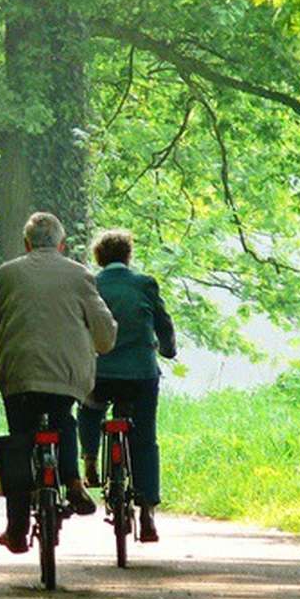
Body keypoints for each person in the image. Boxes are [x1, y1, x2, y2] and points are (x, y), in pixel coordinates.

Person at [0, 211, 118, 553]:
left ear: (26, 244)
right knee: (63, 418)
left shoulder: (8, 275)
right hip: (66, 374)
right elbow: (105, 333)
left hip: (19, 374)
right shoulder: (80, 275)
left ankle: (17, 527)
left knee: (20, 441)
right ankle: (73, 482)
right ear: (62, 245)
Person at [77, 228, 176, 543]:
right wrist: (167, 349)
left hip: (100, 373)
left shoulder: (90, 283)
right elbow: (163, 322)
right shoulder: (144, 284)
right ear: (128, 255)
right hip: (140, 375)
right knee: (145, 438)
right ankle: (147, 512)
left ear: (98, 258)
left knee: (90, 408)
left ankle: (90, 458)